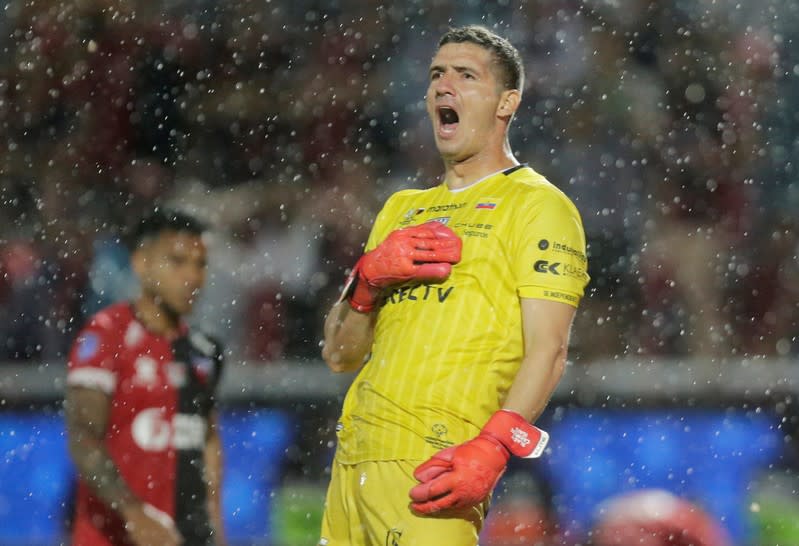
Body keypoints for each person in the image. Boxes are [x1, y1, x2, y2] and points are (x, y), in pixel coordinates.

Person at [319, 25, 590, 546]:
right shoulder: (400, 209)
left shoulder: (539, 206)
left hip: (433, 465)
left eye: (466, 75)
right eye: (436, 74)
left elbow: (549, 350)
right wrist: (366, 283)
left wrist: (493, 446)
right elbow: (339, 353)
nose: (445, 86)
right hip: (352, 461)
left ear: (507, 102)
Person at [65, 208, 226, 546]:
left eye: (200, 264)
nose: (193, 277)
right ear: (141, 264)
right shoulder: (106, 335)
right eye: (177, 262)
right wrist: (135, 513)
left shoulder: (204, 351)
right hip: (113, 537)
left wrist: (215, 526)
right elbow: (83, 437)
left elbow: (206, 437)